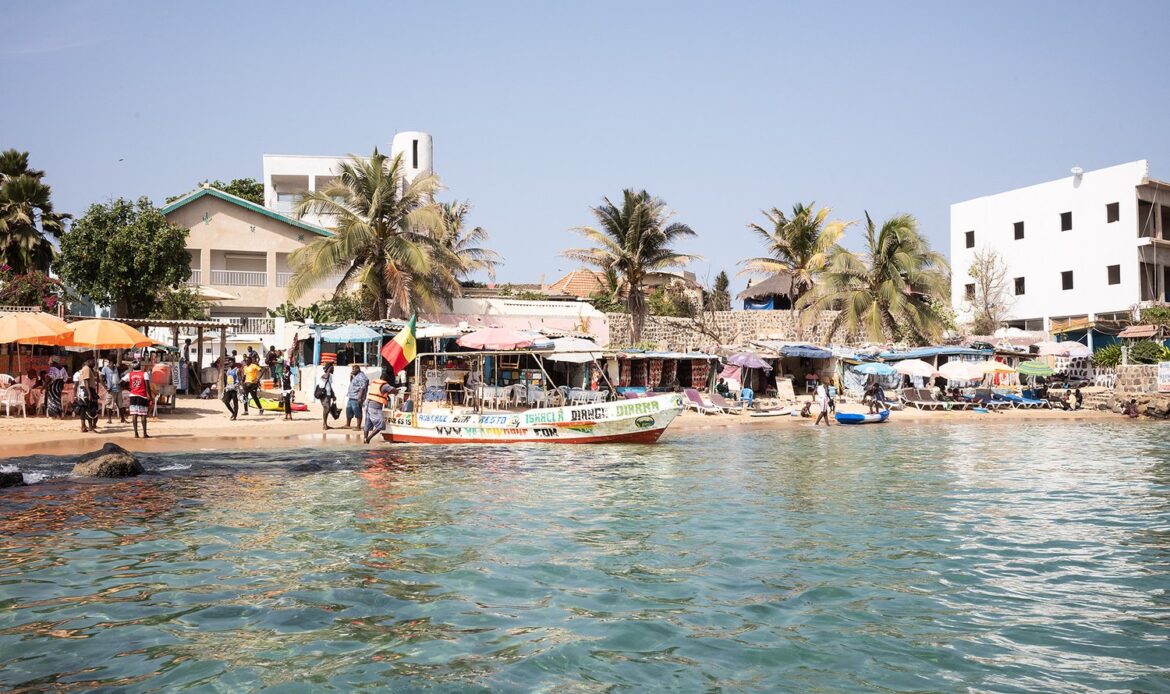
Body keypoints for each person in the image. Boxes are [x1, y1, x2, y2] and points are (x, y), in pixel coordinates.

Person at [363, 368, 397, 444]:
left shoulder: (374, 382)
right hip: (375, 406)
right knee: (381, 425)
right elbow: (395, 391)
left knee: (367, 423)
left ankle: (365, 439)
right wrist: (395, 390)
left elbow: (379, 392)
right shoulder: (385, 385)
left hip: (368, 404)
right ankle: (368, 439)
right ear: (385, 380)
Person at [124, 361, 152, 438]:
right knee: (143, 415)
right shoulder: (144, 374)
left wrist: (129, 388)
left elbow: (121, 382)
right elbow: (147, 386)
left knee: (134, 414)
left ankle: (136, 434)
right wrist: (150, 396)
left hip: (133, 395)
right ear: (140, 366)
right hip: (142, 396)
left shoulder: (129, 374)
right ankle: (144, 433)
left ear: (133, 367)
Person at [77, 358, 100, 433]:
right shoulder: (86, 369)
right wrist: (89, 393)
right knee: (90, 408)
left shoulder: (86, 369)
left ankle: (83, 426)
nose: (94, 364)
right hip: (87, 390)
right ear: (88, 361)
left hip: (83, 390)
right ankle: (90, 427)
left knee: (84, 409)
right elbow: (86, 381)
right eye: (93, 362)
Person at [100, 359, 126, 424]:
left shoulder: (116, 368)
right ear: (109, 363)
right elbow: (101, 378)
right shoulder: (104, 369)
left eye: (113, 364)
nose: (111, 365)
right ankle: (109, 419)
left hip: (118, 388)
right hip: (110, 389)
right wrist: (106, 387)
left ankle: (123, 419)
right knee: (109, 405)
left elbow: (122, 375)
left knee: (120, 404)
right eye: (110, 363)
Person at [345, 363, 369, 429]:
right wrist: (351, 376)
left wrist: (359, 398)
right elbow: (352, 382)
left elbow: (362, 387)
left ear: (358, 369)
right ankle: (348, 424)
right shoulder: (356, 375)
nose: (352, 370)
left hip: (356, 397)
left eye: (354, 369)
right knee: (348, 410)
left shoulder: (361, 376)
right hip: (351, 396)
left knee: (357, 411)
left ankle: (358, 426)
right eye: (352, 369)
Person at [317, 363, 338, 430]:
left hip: (328, 395)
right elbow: (325, 377)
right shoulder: (322, 374)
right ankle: (324, 424)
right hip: (323, 395)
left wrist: (333, 395)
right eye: (332, 368)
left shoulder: (330, 376)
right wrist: (328, 370)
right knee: (327, 408)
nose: (333, 370)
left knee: (327, 409)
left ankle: (325, 424)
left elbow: (329, 386)